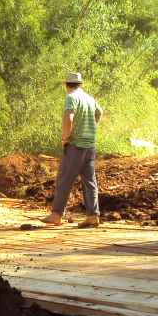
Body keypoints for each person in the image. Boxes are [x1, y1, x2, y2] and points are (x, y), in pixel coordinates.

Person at [41, 72, 103, 227]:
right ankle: (93, 216)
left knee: (64, 180)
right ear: (80, 84)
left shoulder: (71, 97)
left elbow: (68, 118)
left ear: (66, 85)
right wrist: (89, 126)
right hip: (90, 145)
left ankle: (56, 215)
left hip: (75, 145)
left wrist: (65, 139)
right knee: (90, 182)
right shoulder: (89, 98)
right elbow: (99, 112)